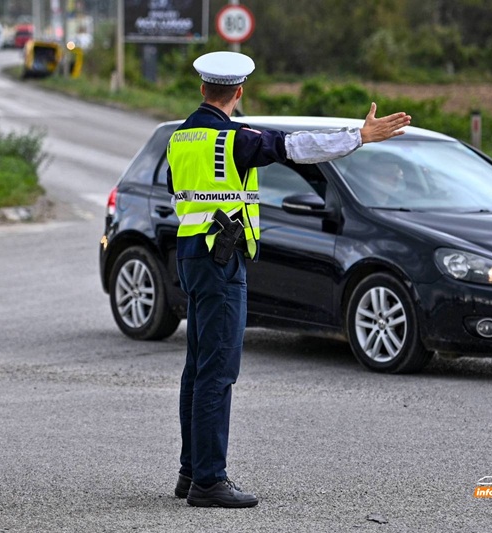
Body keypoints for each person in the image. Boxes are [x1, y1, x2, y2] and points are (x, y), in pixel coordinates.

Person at [166, 51, 411, 508]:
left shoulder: (180, 138)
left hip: (190, 255)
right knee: (218, 372)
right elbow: (299, 147)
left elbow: (176, 190)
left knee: (197, 369)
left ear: (203, 89)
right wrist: (360, 135)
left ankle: (190, 472)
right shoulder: (235, 139)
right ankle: (209, 481)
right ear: (239, 92)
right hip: (222, 261)